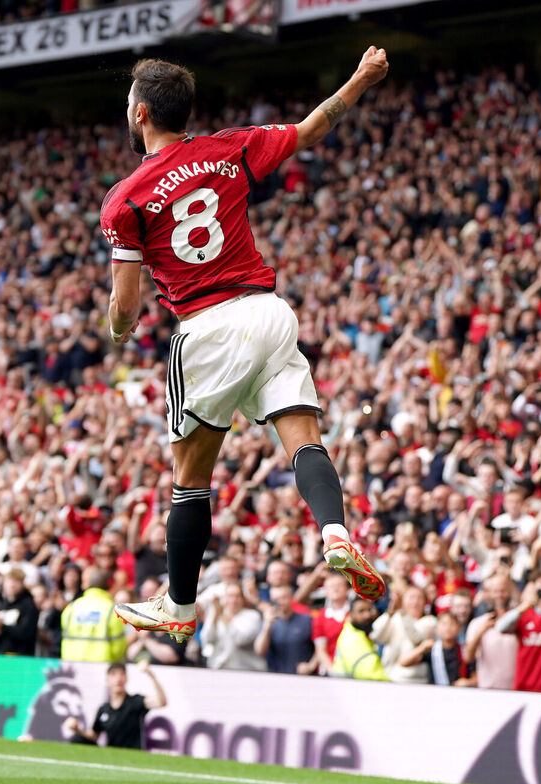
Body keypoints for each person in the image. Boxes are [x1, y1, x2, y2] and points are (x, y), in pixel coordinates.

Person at [108, 48, 391, 642]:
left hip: (207, 329)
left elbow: (126, 307)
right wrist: (361, 77)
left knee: (190, 479)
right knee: (304, 439)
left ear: (139, 114)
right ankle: (336, 534)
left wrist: (117, 330)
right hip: (269, 312)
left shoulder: (126, 198)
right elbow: (315, 126)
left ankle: (180, 606)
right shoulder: (229, 147)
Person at [495, 567, 541, 694]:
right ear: (534, 586)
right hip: (524, 686)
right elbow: (500, 627)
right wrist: (524, 606)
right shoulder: (524, 613)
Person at [64, 661, 167, 749]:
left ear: (126, 679)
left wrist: (150, 674)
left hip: (134, 754)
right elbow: (94, 736)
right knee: (77, 739)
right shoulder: (104, 709)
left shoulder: (135, 702)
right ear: (107, 680)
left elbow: (161, 702)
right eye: (114, 674)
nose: (118, 679)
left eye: (122, 674)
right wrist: (77, 729)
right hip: (111, 754)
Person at [61, 568, 127, 662]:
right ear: (109, 585)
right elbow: (118, 648)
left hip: (73, 666)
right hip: (101, 666)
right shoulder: (112, 611)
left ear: (89, 585)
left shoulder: (71, 608)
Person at [254, 583, 315, 674]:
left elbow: (321, 647)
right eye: (275, 599)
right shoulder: (269, 622)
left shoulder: (307, 620)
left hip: (303, 677)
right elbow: (259, 651)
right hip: (276, 677)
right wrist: (267, 625)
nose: (280, 602)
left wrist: (311, 665)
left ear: (291, 598)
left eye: (283, 598)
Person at [331, 597, 388, 681]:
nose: (367, 615)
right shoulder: (351, 639)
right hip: (345, 689)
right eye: (361, 611)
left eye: (370, 610)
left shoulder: (360, 632)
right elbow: (370, 673)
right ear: (351, 615)